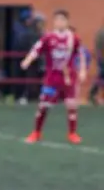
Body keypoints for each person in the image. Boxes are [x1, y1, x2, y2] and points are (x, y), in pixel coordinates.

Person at [21, 10, 86, 144]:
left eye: (62, 20)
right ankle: (36, 132)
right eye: (57, 20)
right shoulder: (48, 38)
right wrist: (27, 60)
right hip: (52, 77)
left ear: (67, 22)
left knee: (71, 105)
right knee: (43, 105)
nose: (60, 22)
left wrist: (82, 70)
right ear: (54, 22)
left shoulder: (73, 38)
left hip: (68, 77)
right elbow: (36, 49)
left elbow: (81, 54)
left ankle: (72, 133)